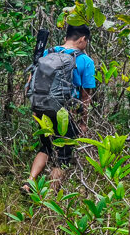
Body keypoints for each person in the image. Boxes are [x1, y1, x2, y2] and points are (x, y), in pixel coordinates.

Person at [22, 24, 95, 193]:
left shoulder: (47, 53)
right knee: (63, 155)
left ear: (66, 37)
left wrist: (35, 107)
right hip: (66, 112)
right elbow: (86, 96)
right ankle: (50, 196)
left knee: (46, 147)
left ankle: (30, 182)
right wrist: (83, 122)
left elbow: (32, 81)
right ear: (83, 39)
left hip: (42, 107)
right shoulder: (86, 61)